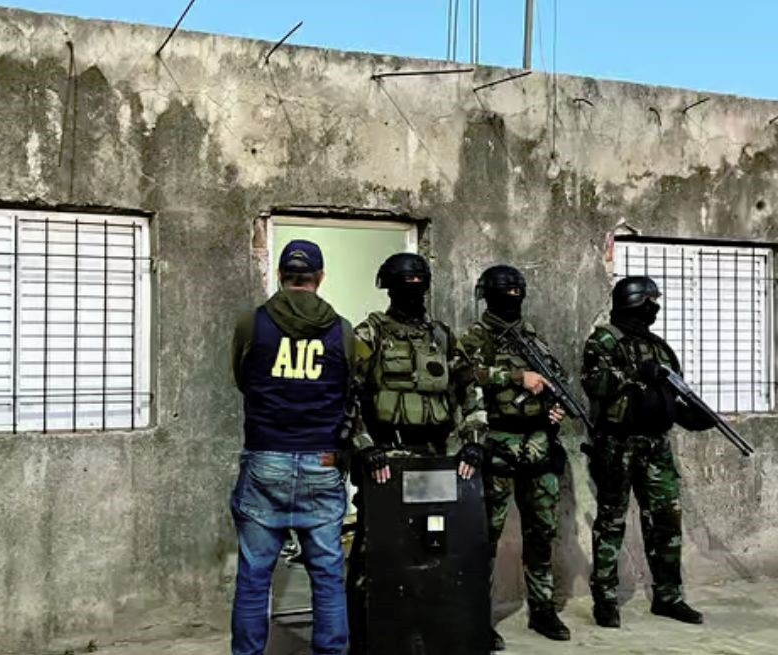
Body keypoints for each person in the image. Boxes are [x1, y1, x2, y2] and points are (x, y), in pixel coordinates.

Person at [345, 252, 488, 653]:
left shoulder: (441, 336)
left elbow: (469, 387)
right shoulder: (369, 334)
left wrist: (474, 441)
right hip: (385, 459)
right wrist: (365, 447)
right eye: (405, 284)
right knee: (374, 552)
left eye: (419, 283)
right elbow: (347, 393)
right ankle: (363, 639)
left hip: (435, 457)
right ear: (388, 288)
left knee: (433, 546)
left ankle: (427, 631)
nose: (414, 291)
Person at [229, 239, 354, 655]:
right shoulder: (342, 330)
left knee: (254, 578)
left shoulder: (252, 323)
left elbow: (242, 379)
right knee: (328, 578)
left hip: (266, 457)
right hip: (323, 460)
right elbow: (349, 386)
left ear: (281, 275)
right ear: (320, 277)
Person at [580, 276, 707, 628]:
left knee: (666, 520)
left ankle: (668, 597)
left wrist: (691, 417)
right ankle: (605, 600)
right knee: (611, 521)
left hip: (656, 446)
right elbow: (595, 384)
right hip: (616, 445)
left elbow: (671, 395)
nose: (656, 308)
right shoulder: (604, 340)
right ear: (637, 302)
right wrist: (637, 372)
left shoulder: (659, 348)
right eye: (651, 301)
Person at [458, 265, 571, 649]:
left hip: (538, 446)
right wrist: (516, 377)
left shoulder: (533, 339)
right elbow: (464, 376)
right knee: (484, 536)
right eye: (505, 292)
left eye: (516, 292)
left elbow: (553, 382)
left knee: (541, 532)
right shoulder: (476, 337)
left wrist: (554, 408)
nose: (512, 299)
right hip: (496, 447)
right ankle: (478, 615)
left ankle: (542, 608)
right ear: (487, 296)